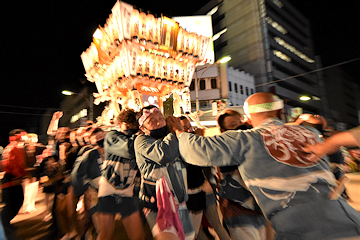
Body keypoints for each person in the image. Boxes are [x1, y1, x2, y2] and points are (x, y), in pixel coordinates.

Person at [167, 92, 360, 240]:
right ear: (281, 111)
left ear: (248, 118)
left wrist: (178, 132)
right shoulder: (309, 133)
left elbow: (196, 150)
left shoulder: (243, 139)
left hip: (299, 227)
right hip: (348, 218)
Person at [134, 105, 194, 240]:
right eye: (151, 121)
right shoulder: (141, 141)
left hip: (179, 200)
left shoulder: (172, 137)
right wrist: (174, 131)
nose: (158, 122)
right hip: (158, 205)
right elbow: (165, 154)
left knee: (188, 237)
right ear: (142, 128)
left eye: (161, 118)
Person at [216, 109, 268, 240]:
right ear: (223, 130)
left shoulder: (256, 141)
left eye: (240, 121)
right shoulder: (224, 146)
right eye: (233, 125)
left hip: (261, 206)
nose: (239, 127)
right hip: (237, 206)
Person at [179, 115, 231, 240]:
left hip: (205, 190)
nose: (187, 130)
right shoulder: (181, 144)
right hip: (191, 194)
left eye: (188, 126)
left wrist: (210, 182)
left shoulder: (196, 142)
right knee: (194, 230)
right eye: (183, 127)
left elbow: (208, 164)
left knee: (215, 224)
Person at [97, 109, 145, 240]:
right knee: (106, 234)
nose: (129, 127)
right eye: (129, 124)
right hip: (108, 190)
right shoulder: (112, 136)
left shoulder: (139, 139)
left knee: (138, 236)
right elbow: (128, 149)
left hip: (127, 192)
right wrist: (140, 134)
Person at [70, 128, 106, 237]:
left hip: (109, 195)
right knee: (101, 228)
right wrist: (85, 190)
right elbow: (77, 174)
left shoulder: (113, 152)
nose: (101, 140)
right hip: (94, 193)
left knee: (107, 227)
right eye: (97, 138)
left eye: (102, 137)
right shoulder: (89, 154)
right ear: (92, 141)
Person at [0, 129, 27, 239]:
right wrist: (18, 176)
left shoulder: (12, 147)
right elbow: (11, 164)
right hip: (12, 180)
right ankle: (4, 224)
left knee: (14, 203)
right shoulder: (14, 148)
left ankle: (5, 223)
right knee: (14, 203)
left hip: (13, 179)